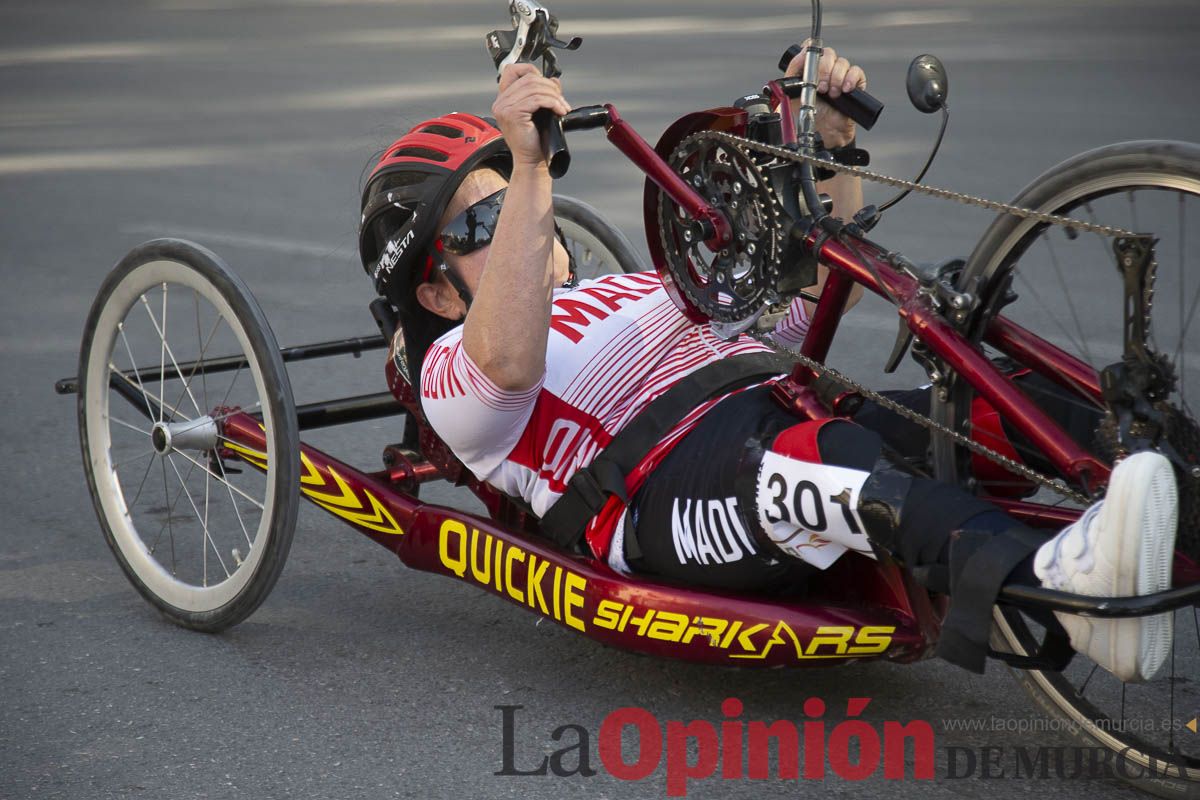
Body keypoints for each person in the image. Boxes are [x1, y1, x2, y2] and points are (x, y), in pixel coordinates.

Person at [357, 46, 1179, 682]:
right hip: (659, 489)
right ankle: (1066, 589)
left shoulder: (641, 285)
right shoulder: (451, 376)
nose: (510, 230)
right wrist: (530, 165)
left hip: (786, 399)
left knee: (1004, 410)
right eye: (480, 227)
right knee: (823, 466)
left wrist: (831, 142)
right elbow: (505, 360)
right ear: (433, 297)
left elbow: (815, 288)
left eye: (507, 204)